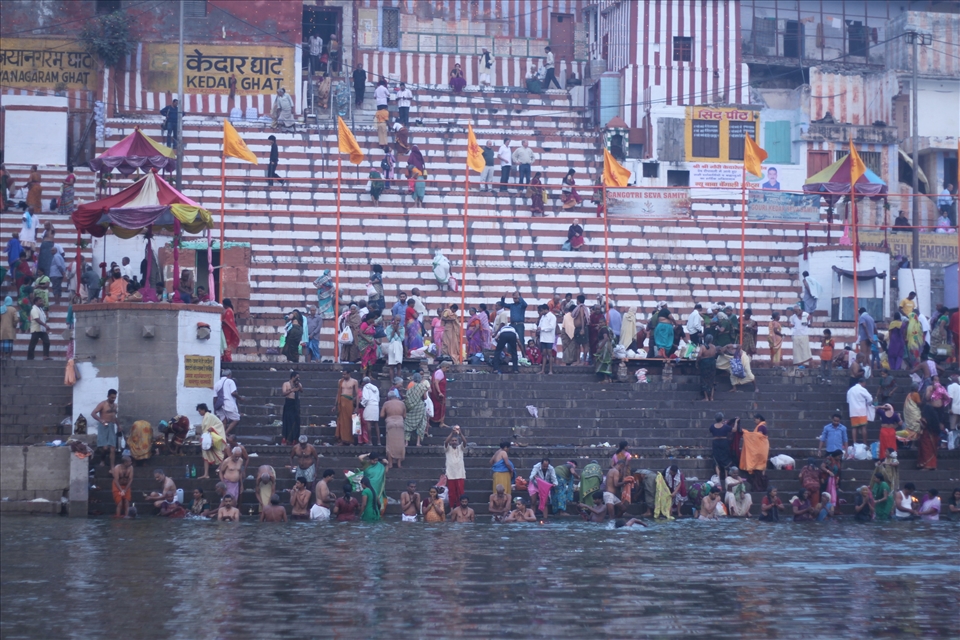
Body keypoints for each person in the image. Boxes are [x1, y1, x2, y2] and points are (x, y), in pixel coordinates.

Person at [197, 403, 226, 479]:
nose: (199, 412)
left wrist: (212, 428)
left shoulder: (211, 416)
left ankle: (223, 472)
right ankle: (206, 474)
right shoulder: (205, 417)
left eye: (200, 411)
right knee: (205, 456)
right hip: (206, 439)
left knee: (220, 456)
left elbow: (220, 424)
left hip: (212, 439)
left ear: (203, 410)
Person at [92, 389, 119, 468]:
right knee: (105, 448)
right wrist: (101, 420)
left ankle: (112, 466)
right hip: (103, 426)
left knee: (113, 447)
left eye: (114, 397)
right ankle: (102, 460)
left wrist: (119, 426)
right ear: (108, 396)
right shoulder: (102, 404)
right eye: (111, 397)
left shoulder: (115, 405)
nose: (113, 399)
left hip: (112, 426)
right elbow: (93, 413)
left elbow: (114, 416)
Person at [381, 388, 406, 468]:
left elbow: (381, 415)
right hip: (400, 423)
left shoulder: (386, 403)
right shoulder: (402, 404)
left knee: (390, 444)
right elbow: (404, 416)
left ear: (389, 397)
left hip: (390, 423)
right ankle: (399, 463)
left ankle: (390, 463)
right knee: (400, 444)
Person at [332, 370, 359, 445]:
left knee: (350, 421)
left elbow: (357, 395)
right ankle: (342, 440)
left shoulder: (354, 381)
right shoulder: (340, 381)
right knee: (341, 421)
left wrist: (357, 406)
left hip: (349, 403)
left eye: (345, 374)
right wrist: (335, 405)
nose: (343, 376)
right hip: (341, 403)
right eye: (343, 375)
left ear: (349, 374)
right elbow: (338, 393)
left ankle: (351, 440)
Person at [403, 372, 429, 446]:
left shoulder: (410, 387)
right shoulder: (422, 386)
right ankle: (418, 443)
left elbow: (407, 397)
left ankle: (406, 443)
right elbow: (425, 397)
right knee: (420, 424)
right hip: (420, 407)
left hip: (410, 408)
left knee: (407, 424)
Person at [846, 378, 873, 446]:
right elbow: (870, 398)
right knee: (863, 427)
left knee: (854, 428)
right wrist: (868, 403)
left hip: (853, 411)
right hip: (862, 411)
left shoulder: (850, 390)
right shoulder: (862, 389)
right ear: (863, 383)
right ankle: (865, 443)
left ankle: (854, 443)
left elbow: (848, 401)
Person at [444, 426, 467, 506]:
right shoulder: (448, 449)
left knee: (460, 492)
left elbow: (465, 442)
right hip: (450, 474)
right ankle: (451, 508)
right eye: (452, 441)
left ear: (458, 442)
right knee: (451, 493)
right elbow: (446, 442)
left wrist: (460, 434)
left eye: (455, 440)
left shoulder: (460, 448)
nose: (454, 442)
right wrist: (452, 433)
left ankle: (459, 507)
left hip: (460, 474)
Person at [280, 371, 303, 446]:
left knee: (296, 422)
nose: (298, 378)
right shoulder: (286, 384)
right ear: (293, 377)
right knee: (288, 421)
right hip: (288, 404)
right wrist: (292, 390)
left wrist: (298, 385)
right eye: (297, 377)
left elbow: (301, 390)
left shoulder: (298, 384)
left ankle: (294, 439)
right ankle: (286, 439)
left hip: (296, 404)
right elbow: (283, 393)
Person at [359, 376, 380, 446]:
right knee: (376, 424)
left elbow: (366, 398)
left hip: (369, 405)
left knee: (368, 423)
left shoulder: (365, 387)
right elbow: (378, 398)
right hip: (376, 406)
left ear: (364, 382)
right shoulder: (375, 387)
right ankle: (379, 442)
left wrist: (361, 404)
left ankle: (370, 441)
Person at [536, 304, 557, 375]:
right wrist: (538, 329)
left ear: (546, 309)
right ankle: (543, 370)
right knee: (544, 354)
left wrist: (542, 329)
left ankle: (550, 370)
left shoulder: (552, 316)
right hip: (543, 338)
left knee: (550, 354)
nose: (541, 312)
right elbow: (540, 325)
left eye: (542, 310)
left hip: (549, 338)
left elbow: (551, 327)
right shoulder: (543, 317)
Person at [697, 334, 718, 401]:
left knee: (704, 379)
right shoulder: (714, 347)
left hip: (705, 363)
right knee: (712, 380)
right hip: (712, 363)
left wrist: (697, 362)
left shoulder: (703, 347)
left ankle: (706, 397)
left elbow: (699, 356)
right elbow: (714, 355)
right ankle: (711, 397)